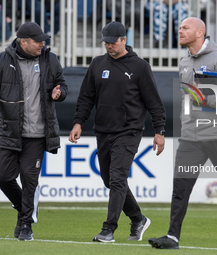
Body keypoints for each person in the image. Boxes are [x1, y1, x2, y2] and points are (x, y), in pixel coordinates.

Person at [148, 17, 217, 249]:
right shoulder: (184, 62)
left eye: (184, 28)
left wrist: (204, 98)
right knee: (181, 187)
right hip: (191, 136)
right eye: (178, 27)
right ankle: (172, 237)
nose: (179, 31)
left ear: (200, 33)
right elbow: (187, 100)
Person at [68, 21, 166, 243]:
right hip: (103, 131)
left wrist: (159, 130)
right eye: (106, 43)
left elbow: (154, 103)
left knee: (118, 178)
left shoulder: (140, 67)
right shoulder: (96, 64)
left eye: (113, 42)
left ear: (124, 40)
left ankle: (108, 229)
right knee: (109, 180)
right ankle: (138, 218)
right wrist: (78, 122)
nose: (109, 46)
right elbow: (86, 98)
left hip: (129, 131)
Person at [0, 22, 68, 241]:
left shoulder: (51, 59)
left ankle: (26, 224)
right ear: (23, 42)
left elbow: (62, 85)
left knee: (30, 180)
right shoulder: (0, 60)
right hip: (8, 132)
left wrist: (60, 93)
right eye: (38, 41)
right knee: (3, 177)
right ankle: (25, 210)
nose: (43, 44)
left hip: (38, 134)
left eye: (43, 40)